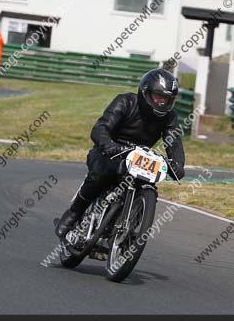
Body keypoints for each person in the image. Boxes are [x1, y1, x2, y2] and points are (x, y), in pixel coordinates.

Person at [55, 68, 186, 238]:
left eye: (167, 99)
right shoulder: (125, 101)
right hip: (109, 152)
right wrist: (108, 144)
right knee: (101, 175)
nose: (162, 103)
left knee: (149, 185)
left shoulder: (169, 117)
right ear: (145, 92)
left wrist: (177, 164)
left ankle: (131, 224)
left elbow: (174, 141)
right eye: (158, 97)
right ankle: (73, 214)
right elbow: (100, 128)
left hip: (139, 158)